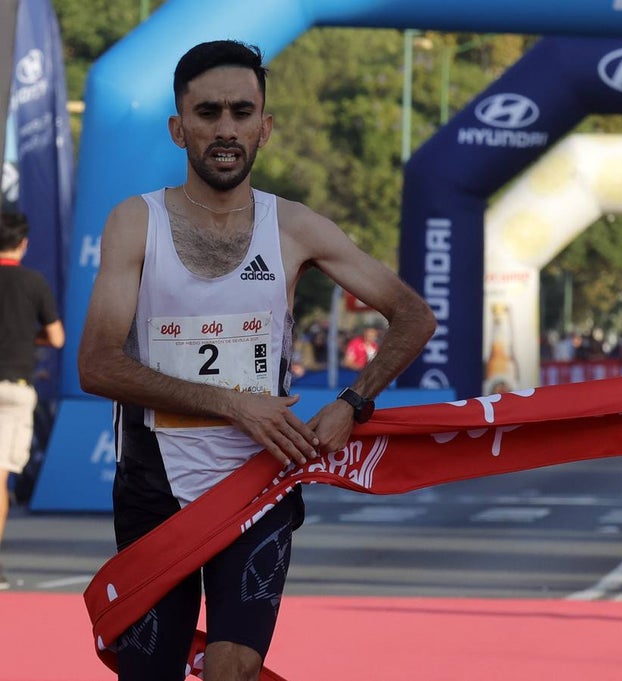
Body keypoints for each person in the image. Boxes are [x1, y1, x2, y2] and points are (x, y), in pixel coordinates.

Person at [76, 40, 435, 681]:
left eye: (242, 112)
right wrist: (235, 404)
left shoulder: (295, 227)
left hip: (258, 484)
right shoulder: (136, 223)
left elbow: (412, 315)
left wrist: (353, 403)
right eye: (207, 111)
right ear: (177, 127)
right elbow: (97, 365)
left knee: (233, 668)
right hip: (155, 489)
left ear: (264, 127)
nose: (225, 129)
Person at [0, 210, 64, 590]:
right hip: (15, 389)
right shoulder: (33, 283)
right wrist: (30, 340)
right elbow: (56, 338)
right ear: (23, 243)